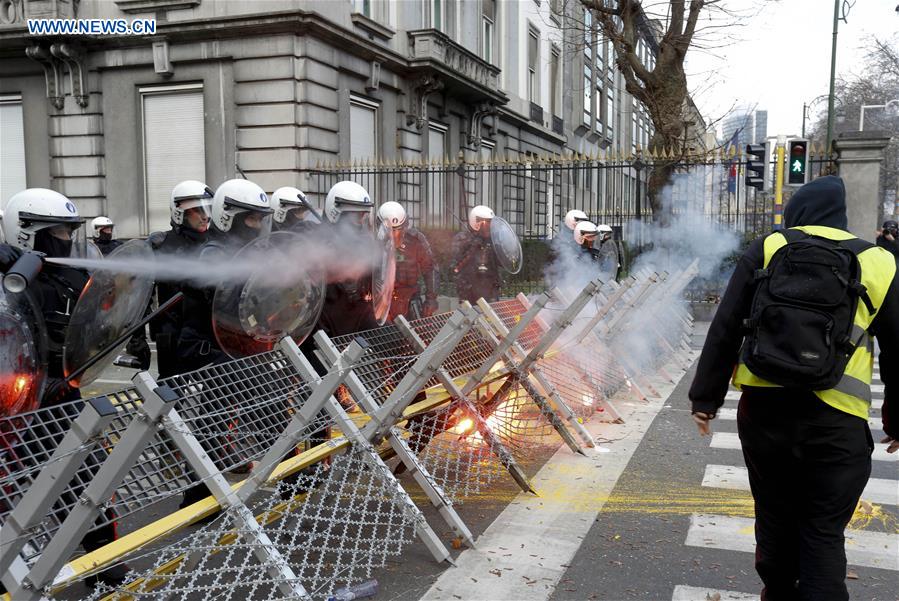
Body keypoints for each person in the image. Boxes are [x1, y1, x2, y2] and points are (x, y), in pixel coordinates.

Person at [689, 175, 899, 601]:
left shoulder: (769, 247)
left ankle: (779, 593)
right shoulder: (881, 260)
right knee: (822, 531)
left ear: (798, 213)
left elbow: (726, 326)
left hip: (766, 414)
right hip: (837, 421)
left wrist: (705, 399)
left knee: (774, 516)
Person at [0, 188, 130, 588]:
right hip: (16, 406)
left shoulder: (74, 275)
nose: (64, 239)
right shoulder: (9, 279)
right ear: (28, 233)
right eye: (55, 231)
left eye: (67, 231)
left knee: (88, 483)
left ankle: (106, 566)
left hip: (65, 396)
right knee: (7, 495)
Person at [176, 178, 273, 374]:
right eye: (251, 219)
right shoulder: (213, 254)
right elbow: (229, 303)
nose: (256, 226)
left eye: (260, 220)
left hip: (243, 349)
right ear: (228, 217)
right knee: (221, 401)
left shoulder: (250, 253)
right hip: (217, 351)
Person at [147, 180, 214, 378]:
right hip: (172, 333)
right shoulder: (160, 245)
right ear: (180, 212)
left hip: (206, 332)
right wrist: (137, 339)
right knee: (169, 393)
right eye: (197, 211)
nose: (205, 216)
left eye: (208, 210)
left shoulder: (215, 244)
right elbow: (141, 295)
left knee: (218, 389)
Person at [314, 180, 381, 337]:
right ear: (336, 212)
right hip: (325, 320)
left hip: (357, 313)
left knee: (393, 340)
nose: (361, 221)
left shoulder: (363, 242)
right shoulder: (314, 241)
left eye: (364, 216)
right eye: (358, 216)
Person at [377, 201, 438, 321]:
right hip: (382, 301)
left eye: (398, 230)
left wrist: (431, 299)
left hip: (410, 299)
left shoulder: (415, 240)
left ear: (405, 226)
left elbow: (430, 268)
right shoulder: (371, 243)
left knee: (417, 337)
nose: (394, 236)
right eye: (389, 231)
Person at [451, 205, 502, 304]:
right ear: (476, 222)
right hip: (469, 289)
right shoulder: (462, 238)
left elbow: (500, 262)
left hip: (490, 288)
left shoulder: (492, 240)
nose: (489, 226)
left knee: (491, 318)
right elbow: (456, 264)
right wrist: (472, 245)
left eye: (491, 222)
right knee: (470, 318)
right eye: (487, 222)